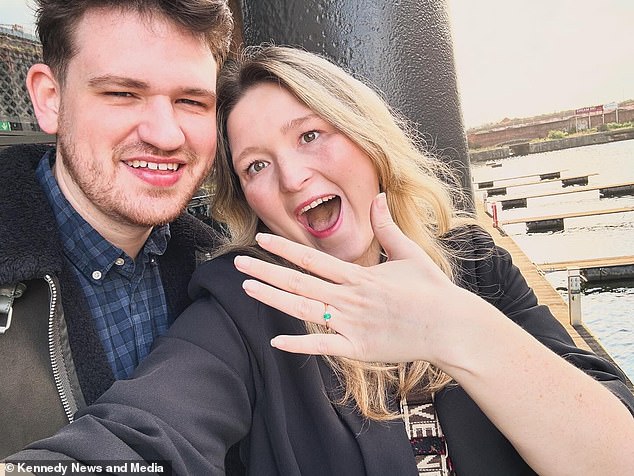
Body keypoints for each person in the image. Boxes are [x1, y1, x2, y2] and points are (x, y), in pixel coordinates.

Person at [8, 45, 634, 475]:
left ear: (366, 137)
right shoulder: (245, 300)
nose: (291, 175)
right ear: (247, 200)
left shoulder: (474, 263)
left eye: (311, 135)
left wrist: (456, 329)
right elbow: (148, 434)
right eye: (256, 165)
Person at [0, 0, 233, 459]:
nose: (166, 135)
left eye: (191, 101)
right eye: (122, 93)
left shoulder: (226, 273)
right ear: (50, 99)